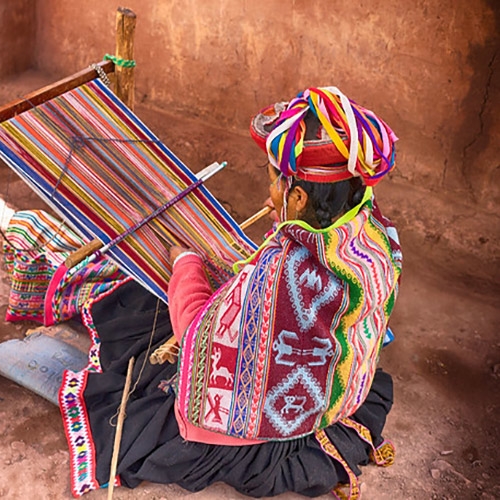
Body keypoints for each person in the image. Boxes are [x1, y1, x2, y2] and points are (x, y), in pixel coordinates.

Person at [58, 86, 402, 500]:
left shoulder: (280, 276)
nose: (268, 194)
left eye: (275, 183)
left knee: (149, 352)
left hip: (271, 430)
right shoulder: (372, 234)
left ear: (297, 195)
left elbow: (195, 333)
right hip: (340, 391)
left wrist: (186, 262)